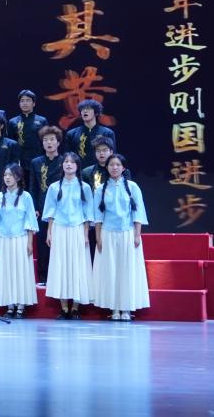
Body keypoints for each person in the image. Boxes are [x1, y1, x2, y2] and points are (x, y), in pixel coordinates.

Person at [92, 155, 149, 321]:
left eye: (118, 165)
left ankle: (126, 308)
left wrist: (137, 235)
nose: (114, 167)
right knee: (111, 271)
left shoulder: (132, 187)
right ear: (107, 167)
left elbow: (138, 213)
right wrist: (98, 238)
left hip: (127, 233)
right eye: (111, 164)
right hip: (108, 234)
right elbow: (98, 217)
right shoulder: (100, 189)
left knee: (127, 271)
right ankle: (114, 308)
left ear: (123, 168)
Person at [42, 153, 94, 320]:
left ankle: (75, 308)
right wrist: (49, 232)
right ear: (62, 165)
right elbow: (51, 212)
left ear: (77, 166)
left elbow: (87, 214)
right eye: (66, 162)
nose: (69, 165)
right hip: (59, 228)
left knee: (77, 267)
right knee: (61, 266)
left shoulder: (85, 187)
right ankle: (64, 307)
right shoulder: (54, 187)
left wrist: (86, 235)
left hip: (77, 229)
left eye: (72, 162)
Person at [0, 165, 38, 318]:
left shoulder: (26, 196)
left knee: (20, 272)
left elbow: (30, 220)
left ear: (18, 177)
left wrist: (29, 242)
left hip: (20, 238)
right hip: (3, 239)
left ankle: (20, 306)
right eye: (5, 175)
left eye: (11, 175)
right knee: (6, 272)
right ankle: (9, 305)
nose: (7, 178)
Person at [30, 125, 64, 285]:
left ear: (58, 142)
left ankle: (59, 278)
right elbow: (33, 186)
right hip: (42, 207)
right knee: (43, 243)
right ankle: (43, 278)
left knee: (60, 243)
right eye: (45, 140)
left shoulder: (65, 161)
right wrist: (34, 207)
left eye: (52, 140)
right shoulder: (36, 162)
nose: (49, 143)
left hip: (61, 208)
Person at [8, 90, 48, 186]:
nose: (25, 103)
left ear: (34, 103)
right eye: (22, 101)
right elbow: (11, 144)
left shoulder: (42, 120)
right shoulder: (13, 122)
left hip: (38, 159)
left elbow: (46, 141)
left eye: (28, 100)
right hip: (20, 161)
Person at [65, 99, 117, 168]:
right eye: (82, 109)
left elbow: (113, 156)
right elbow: (68, 157)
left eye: (88, 109)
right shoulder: (71, 134)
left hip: (101, 170)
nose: (85, 111)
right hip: (79, 171)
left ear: (96, 113)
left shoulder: (107, 133)